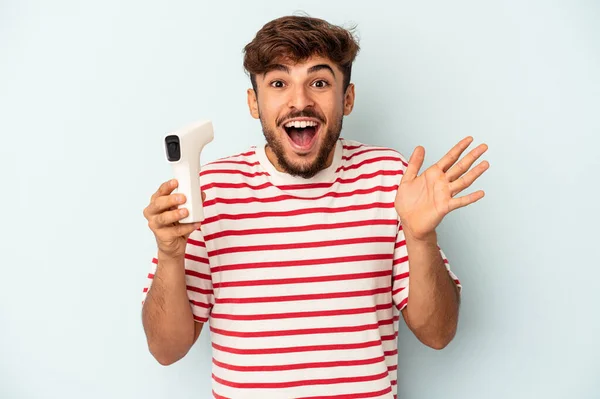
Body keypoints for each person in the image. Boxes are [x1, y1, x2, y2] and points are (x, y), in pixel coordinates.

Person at [141, 15, 489, 399]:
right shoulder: (213, 189)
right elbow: (166, 350)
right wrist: (170, 256)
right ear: (254, 102)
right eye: (278, 83)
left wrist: (420, 239)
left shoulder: (391, 178)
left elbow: (438, 334)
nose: (300, 101)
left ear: (348, 98)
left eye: (319, 83)